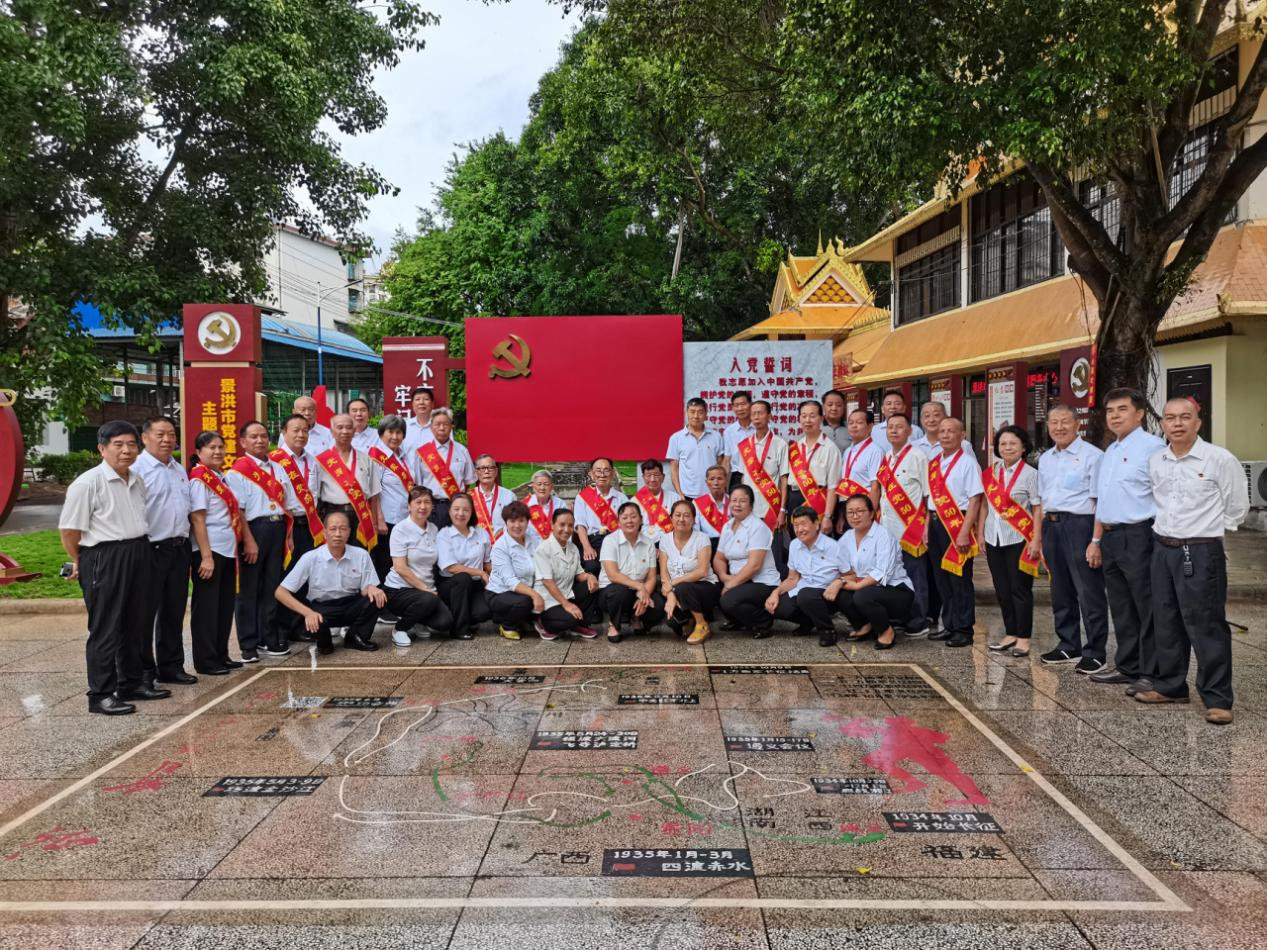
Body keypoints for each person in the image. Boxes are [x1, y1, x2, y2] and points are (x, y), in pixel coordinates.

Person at [1135, 398, 1249, 724]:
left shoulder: (1219, 459)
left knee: (1206, 624)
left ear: (1197, 423)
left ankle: (1218, 698)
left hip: (1201, 551)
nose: (1177, 423)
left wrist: (1204, 532)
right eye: (1170, 418)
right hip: (1162, 549)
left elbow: (1237, 506)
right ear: (1162, 424)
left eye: (1185, 417)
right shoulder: (1157, 460)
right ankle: (1171, 685)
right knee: (1166, 621)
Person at [58, 420, 166, 715]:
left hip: (138, 551)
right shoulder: (88, 483)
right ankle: (101, 694)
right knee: (106, 628)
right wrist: (80, 561)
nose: (126, 450)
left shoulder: (137, 480)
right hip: (104, 556)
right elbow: (69, 530)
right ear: (102, 448)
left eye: (131, 444)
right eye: (118, 445)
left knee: (135, 624)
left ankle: (131, 683)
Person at [1087, 388, 1166, 689]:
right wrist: (1096, 541)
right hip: (1111, 536)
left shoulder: (1152, 448)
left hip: (1140, 535)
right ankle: (1128, 666)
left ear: (1140, 413)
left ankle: (1151, 672)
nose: (1115, 416)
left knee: (1146, 605)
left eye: (1122, 409)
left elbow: (1163, 495)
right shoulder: (1110, 451)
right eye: (1110, 411)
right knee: (1121, 606)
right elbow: (1103, 501)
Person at [1035, 404, 1108, 672]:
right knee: (1060, 589)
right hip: (1052, 525)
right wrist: (1040, 536)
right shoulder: (1046, 458)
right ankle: (1068, 644)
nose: (1059, 427)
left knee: (1088, 591)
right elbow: (1042, 500)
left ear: (1077, 424)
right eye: (1054, 422)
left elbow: (1100, 502)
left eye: (1065, 421)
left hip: (1081, 526)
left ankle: (1096, 650)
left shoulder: (1093, 456)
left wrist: (1096, 541)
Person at [132, 416, 196, 687]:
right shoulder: (137, 469)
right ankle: (143, 672)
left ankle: (171, 666)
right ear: (145, 437)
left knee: (174, 610)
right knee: (144, 614)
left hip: (178, 548)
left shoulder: (178, 469)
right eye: (160, 434)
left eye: (171, 434)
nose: (167, 440)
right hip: (151, 549)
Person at [275, 510, 386, 655]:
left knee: (377, 597)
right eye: (333, 529)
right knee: (323, 641)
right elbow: (280, 592)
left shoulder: (361, 555)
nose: (338, 534)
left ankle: (355, 637)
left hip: (350, 604)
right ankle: (324, 640)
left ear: (349, 532)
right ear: (324, 532)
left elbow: (366, 590)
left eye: (343, 529)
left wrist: (372, 588)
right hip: (322, 609)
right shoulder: (311, 557)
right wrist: (308, 613)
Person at [226, 420, 291, 660]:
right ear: (243, 442)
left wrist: (288, 536)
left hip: (277, 528)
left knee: (272, 586)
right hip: (254, 530)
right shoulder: (237, 471)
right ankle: (248, 644)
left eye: (263, 435)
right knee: (248, 589)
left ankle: (268, 638)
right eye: (253, 436)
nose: (260, 440)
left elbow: (287, 504)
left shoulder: (278, 468)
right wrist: (249, 540)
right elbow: (239, 511)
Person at [978, 424, 1042, 658]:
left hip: (1019, 539)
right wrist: (980, 533)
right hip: (993, 538)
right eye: (1003, 443)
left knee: (1020, 589)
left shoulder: (1031, 474)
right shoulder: (990, 473)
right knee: (1002, 589)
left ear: (1023, 447)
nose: (1007, 447)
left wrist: (1036, 540)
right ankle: (1011, 632)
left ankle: (1023, 637)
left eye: (1013, 443)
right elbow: (984, 505)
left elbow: (1037, 508)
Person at [187, 431, 245, 676]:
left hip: (227, 550)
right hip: (210, 551)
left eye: (221, 447)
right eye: (212, 447)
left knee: (223, 606)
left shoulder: (220, 477)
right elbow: (198, 519)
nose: (218, 451)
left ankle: (221, 654)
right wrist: (206, 556)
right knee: (207, 609)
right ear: (199, 452)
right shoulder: (199, 479)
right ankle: (206, 660)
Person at [926, 416, 984, 648]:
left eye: (951, 431)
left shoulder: (968, 463)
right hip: (935, 523)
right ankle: (949, 624)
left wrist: (964, 531)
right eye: (942, 431)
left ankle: (964, 629)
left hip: (957, 524)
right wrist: (926, 528)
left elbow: (975, 500)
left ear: (962, 435)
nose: (945, 435)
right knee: (942, 579)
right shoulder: (934, 463)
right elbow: (929, 500)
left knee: (960, 579)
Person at [837, 494, 915, 651]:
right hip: (865, 587)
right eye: (850, 512)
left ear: (872, 513)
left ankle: (886, 631)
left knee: (862, 595)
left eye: (860, 511)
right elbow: (841, 567)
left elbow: (882, 572)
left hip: (896, 590)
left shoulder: (883, 536)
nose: (855, 516)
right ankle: (864, 625)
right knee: (839, 593)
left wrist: (855, 586)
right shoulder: (846, 537)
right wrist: (840, 582)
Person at [876, 412, 931, 637]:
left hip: (911, 528)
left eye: (899, 427)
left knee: (915, 575)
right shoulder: (887, 456)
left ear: (909, 431)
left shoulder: (918, 456)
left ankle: (918, 619)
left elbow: (927, 495)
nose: (894, 431)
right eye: (890, 427)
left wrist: (926, 526)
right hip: (888, 529)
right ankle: (899, 615)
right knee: (894, 575)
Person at [270, 413, 322, 643]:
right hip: (285, 527)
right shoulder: (274, 460)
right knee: (284, 577)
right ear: (284, 433)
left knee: (304, 576)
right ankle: (280, 629)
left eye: (305, 430)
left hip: (308, 525)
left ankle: (299, 626)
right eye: (295, 430)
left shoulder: (312, 461)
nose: (301, 435)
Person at [382, 486, 454, 646]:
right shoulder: (400, 529)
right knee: (428, 599)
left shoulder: (433, 529)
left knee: (445, 622)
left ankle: (417, 619)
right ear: (409, 506)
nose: (423, 506)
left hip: (425, 592)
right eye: (418, 502)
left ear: (432, 506)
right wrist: (425, 589)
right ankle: (400, 628)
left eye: (427, 502)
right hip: (398, 590)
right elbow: (400, 567)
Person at [764, 507, 841, 646]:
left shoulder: (833, 546)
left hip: (828, 592)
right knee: (778, 607)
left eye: (803, 524)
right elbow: (792, 578)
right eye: (796, 525)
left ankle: (827, 630)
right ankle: (809, 622)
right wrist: (775, 593)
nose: (799, 529)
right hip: (805, 590)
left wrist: (838, 582)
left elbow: (850, 575)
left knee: (806, 595)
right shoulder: (794, 545)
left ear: (816, 524)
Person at [714, 485, 782, 638]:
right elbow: (719, 557)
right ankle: (738, 621)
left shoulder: (757, 527)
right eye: (734, 500)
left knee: (728, 600)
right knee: (714, 591)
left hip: (761, 582)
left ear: (751, 505)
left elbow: (754, 566)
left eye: (742, 501)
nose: (737, 504)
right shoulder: (727, 526)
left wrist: (730, 584)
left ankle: (763, 622)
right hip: (738, 579)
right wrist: (724, 578)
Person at [599, 502, 665, 643]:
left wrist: (643, 596)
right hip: (612, 591)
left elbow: (652, 577)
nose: (629, 521)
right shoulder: (610, 541)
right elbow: (613, 575)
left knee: (658, 605)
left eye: (633, 516)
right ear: (618, 522)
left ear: (641, 519)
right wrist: (640, 587)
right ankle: (614, 625)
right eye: (625, 517)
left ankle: (636, 617)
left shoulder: (648, 543)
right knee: (619, 592)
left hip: (638, 591)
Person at [314, 412, 382, 549]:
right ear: (332, 431)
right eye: (340, 427)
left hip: (360, 516)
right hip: (332, 514)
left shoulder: (366, 459)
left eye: (349, 427)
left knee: (359, 554)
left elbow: (374, 495)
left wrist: (375, 522)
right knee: (334, 554)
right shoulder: (321, 461)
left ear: (354, 430)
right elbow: (314, 494)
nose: (344, 431)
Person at [532, 508, 601, 640]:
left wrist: (590, 576)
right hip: (549, 600)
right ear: (553, 525)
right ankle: (542, 623)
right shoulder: (543, 549)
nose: (566, 529)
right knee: (569, 620)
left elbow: (579, 574)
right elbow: (547, 582)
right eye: (562, 524)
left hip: (567, 593)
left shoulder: (573, 547)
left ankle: (580, 626)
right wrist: (566, 604)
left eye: (570, 525)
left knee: (591, 586)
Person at [659, 498, 721, 645]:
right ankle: (690, 620)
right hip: (678, 590)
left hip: (705, 588)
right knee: (672, 621)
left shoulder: (702, 539)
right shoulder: (665, 540)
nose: (681, 519)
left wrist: (673, 584)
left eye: (686, 515)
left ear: (693, 519)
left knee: (683, 588)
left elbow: (702, 572)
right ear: (671, 518)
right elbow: (664, 573)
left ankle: (701, 624)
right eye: (677, 515)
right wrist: (670, 594)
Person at [366, 414, 418, 585]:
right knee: (385, 563)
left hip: (405, 518)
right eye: (390, 432)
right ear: (382, 433)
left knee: (404, 562)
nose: (395, 437)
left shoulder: (403, 456)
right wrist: (379, 519)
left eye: (399, 432)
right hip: (387, 521)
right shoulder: (376, 456)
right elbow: (374, 491)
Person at [436, 492, 493, 640]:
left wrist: (498, 578)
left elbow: (487, 563)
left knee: (484, 611)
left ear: (472, 512)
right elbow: (451, 568)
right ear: (449, 511)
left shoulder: (481, 533)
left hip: (475, 585)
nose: (461, 513)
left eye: (466, 510)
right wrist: (480, 573)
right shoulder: (443, 534)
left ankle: (463, 616)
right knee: (463, 578)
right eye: (456, 509)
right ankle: (459, 629)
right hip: (451, 585)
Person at [486, 500, 544, 641]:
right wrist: (535, 595)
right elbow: (510, 581)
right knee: (525, 602)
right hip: (500, 593)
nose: (517, 525)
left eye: (521, 521)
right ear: (506, 522)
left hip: (527, 589)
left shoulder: (534, 541)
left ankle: (526, 618)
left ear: (527, 522)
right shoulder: (500, 547)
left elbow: (542, 568)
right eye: (512, 521)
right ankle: (507, 626)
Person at [787, 400, 842, 538]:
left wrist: (828, 516)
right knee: (797, 544)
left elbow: (833, 487)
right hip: (794, 500)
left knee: (818, 545)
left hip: (819, 501)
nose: (807, 420)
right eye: (804, 416)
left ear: (821, 418)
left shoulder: (830, 448)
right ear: (799, 419)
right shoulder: (794, 448)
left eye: (812, 416)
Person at [414, 407, 474, 529]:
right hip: (431, 507)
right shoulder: (422, 453)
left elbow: (468, 481)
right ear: (431, 427)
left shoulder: (462, 451)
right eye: (437, 424)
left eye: (446, 424)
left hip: (456, 507)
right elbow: (419, 483)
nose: (441, 428)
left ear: (452, 426)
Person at [736, 400, 789, 534]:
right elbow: (743, 477)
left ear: (769, 416)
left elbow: (784, 479)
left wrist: (782, 510)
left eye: (760, 413)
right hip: (749, 508)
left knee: (772, 545)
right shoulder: (745, 445)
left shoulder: (780, 444)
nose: (756, 417)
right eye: (753, 414)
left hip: (771, 507)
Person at [573, 457, 629, 576]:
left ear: (612, 473)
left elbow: (627, 526)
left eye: (606, 470)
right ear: (592, 474)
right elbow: (580, 525)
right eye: (598, 471)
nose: (602, 475)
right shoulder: (582, 497)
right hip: (594, 542)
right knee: (592, 567)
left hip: (616, 541)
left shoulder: (622, 498)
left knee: (623, 566)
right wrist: (587, 547)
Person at [835, 409, 883, 530]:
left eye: (859, 422)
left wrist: (870, 517)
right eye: (851, 423)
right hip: (847, 510)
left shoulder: (875, 451)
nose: (854, 426)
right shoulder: (848, 451)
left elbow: (875, 487)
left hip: (863, 511)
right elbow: (844, 484)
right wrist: (841, 516)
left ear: (870, 426)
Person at [666, 397, 723, 499]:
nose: (696, 416)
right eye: (692, 412)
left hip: (711, 494)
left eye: (700, 412)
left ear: (706, 414)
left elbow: (720, 465)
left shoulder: (716, 436)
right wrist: (680, 494)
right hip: (687, 495)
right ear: (686, 413)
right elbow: (674, 469)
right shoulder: (676, 438)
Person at [471, 454, 516, 544]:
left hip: (503, 545)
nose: (486, 471)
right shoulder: (469, 497)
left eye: (490, 468)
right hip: (476, 546)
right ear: (476, 472)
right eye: (482, 468)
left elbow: (515, 523)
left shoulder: (509, 496)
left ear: (496, 471)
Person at [633, 459, 680, 543]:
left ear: (663, 477)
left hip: (670, 543)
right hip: (643, 543)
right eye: (648, 475)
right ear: (643, 477)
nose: (652, 479)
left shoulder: (675, 498)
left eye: (656, 475)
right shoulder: (634, 502)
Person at [719, 390, 755, 490]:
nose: (740, 408)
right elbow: (727, 460)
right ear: (732, 408)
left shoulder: (762, 427)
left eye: (743, 404)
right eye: (736, 405)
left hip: (759, 475)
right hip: (737, 476)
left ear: (751, 405)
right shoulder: (729, 431)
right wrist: (722, 484)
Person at [693, 464, 731, 554]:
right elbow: (695, 532)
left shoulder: (733, 501)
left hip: (730, 545)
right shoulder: (697, 503)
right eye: (712, 479)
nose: (716, 483)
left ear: (726, 481)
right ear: (706, 482)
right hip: (707, 546)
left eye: (719, 479)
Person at [526, 469, 569, 542]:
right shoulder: (524, 505)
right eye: (539, 484)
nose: (542, 488)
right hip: (530, 546)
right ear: (533, 486)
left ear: (552, 487)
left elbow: (566, 528)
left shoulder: (560, 504)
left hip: (555, 545)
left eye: (546, 484)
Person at [401, 385, 435, 456]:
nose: (421, 402)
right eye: (417, 399)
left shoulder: (440, 427)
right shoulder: (404, 426)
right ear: (413, 404)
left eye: (426, 399)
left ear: (432, 404)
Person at [821, 389, 853, 454]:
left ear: (843, 407)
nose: (834, 408)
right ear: (823, 407)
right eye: (830, 405)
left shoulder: (852, 428)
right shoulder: (814, 428)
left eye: (838, 405)